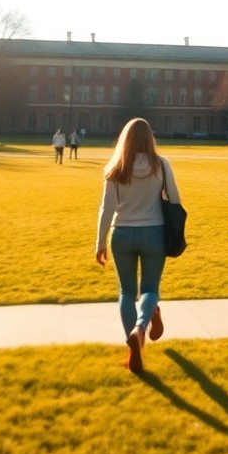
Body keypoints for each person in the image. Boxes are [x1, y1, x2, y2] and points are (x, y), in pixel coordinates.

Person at [95, 118, 180, 375]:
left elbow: (106, 208)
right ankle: (141, 326)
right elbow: (175, 200)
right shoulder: (161, 165)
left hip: (121, 234)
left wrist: (99, 242)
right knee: (150, 289)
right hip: (154, 232)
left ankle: (134, 347)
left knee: (126, 293)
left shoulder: (116, 167)